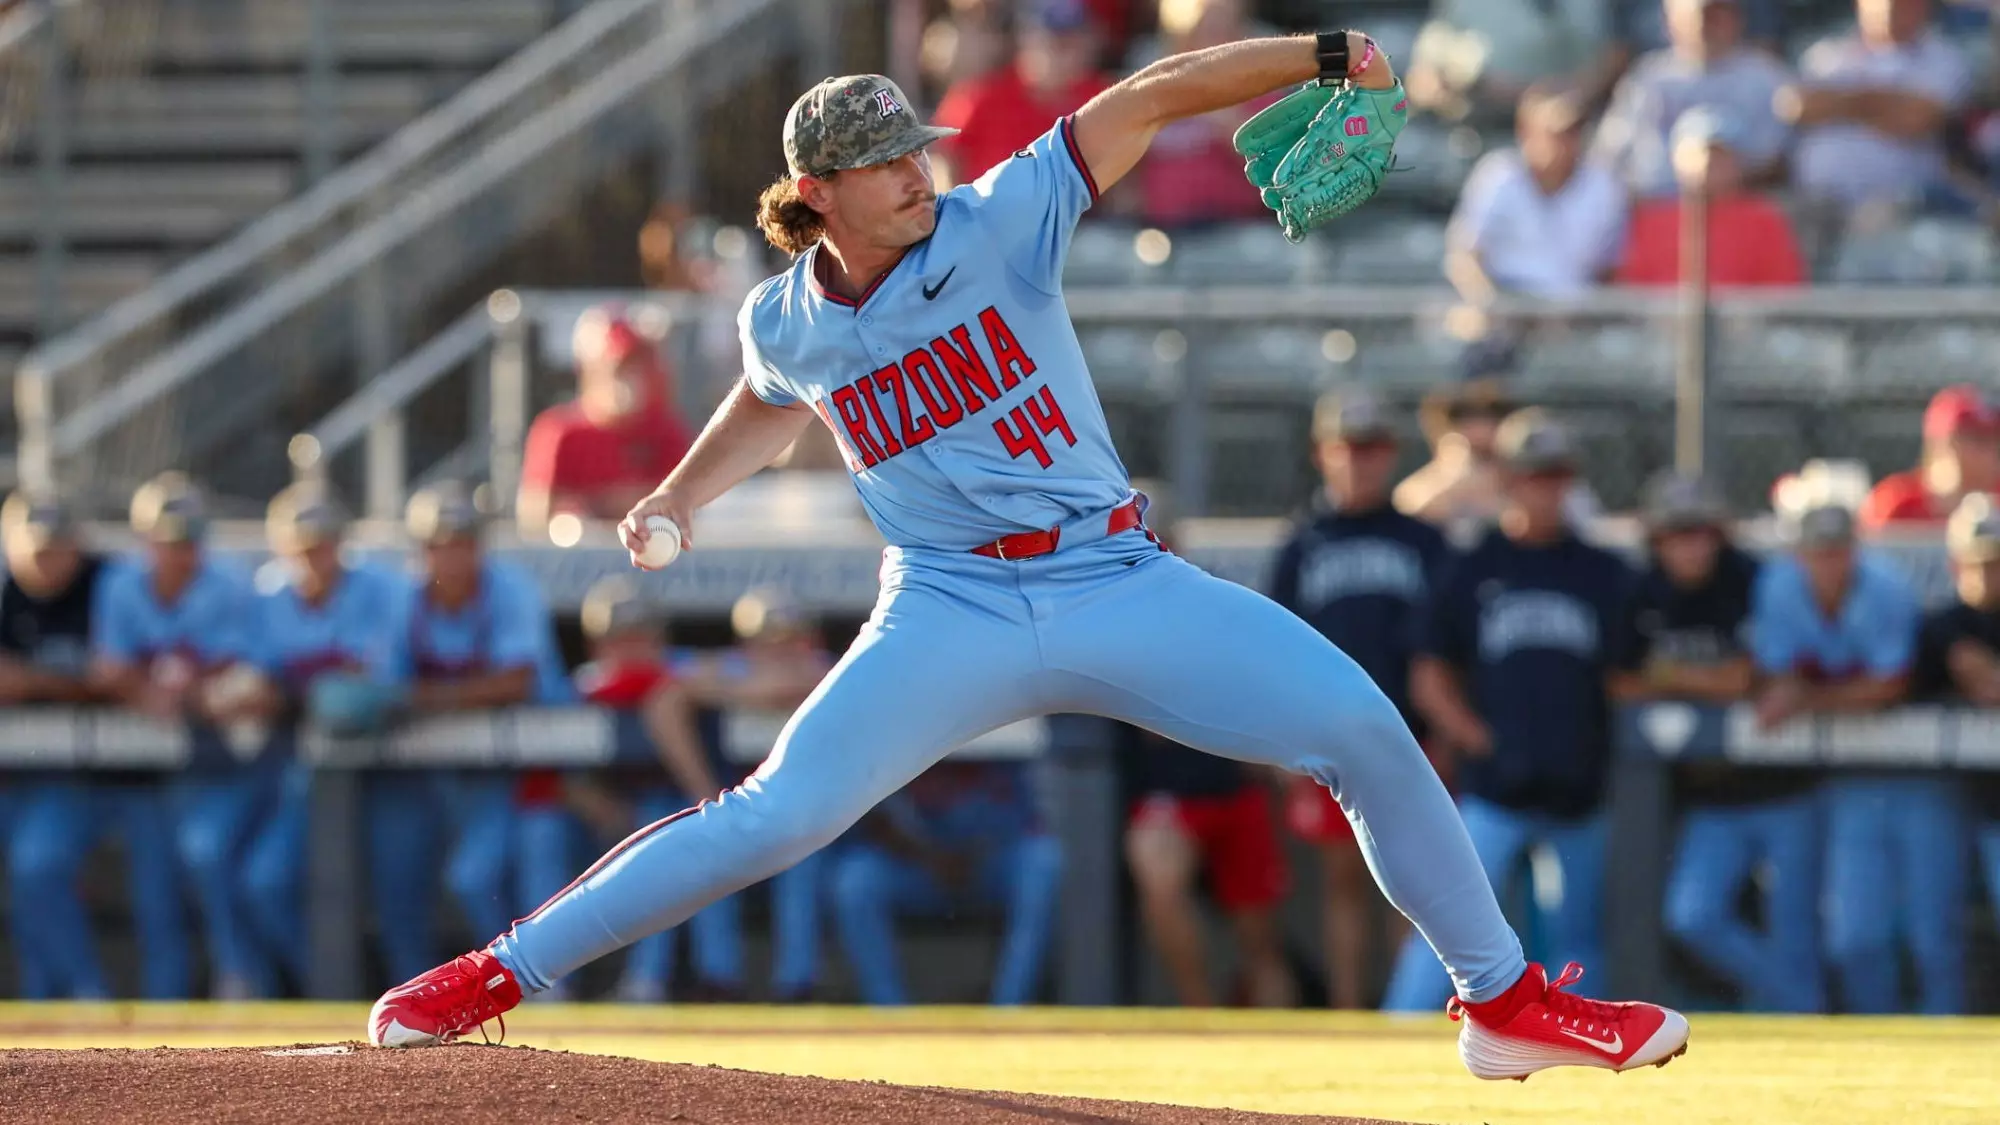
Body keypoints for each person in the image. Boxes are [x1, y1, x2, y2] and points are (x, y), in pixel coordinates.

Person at [373, 36, 1689, 1080]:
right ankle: (498, 974)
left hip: (1110, 576)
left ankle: (1502, 1000)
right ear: (817, 193)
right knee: (775, 816)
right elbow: (770, 400)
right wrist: (674, 494)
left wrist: (1326, 49)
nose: (913, 174)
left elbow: (1156, 90)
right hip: (944, 605)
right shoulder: (788, 317)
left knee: (1362, 723)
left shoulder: (1000, 218)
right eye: (882, 165)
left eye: (913, 151)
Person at [1382, 410, 1634, 1013]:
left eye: (1555, 475)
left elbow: (1626, 677)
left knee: (1576, 945)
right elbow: (1428, 673)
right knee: (1447, 933)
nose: (1544, 488)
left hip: (1577, 791)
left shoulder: (1604, 573)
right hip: (1494, 789)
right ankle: (1392, 1038)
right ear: (1508, 481)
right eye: (1532, 475)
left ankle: (1582, 1050)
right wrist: (1475, 737)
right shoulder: (1474, 566)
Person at [1609, 472, 1823, 1013]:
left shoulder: (1755, 579)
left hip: (1784, 786)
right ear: (1656, 538)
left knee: (1794, 932)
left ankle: (1795, 1025)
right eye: (1677, 533)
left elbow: (1746, 678)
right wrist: (1706, 681)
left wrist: (1669, 675)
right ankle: (1803, 1008)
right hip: (1712, 798)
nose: (1691, 544)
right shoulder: (1642, 590)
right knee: (1692, 916)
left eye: (1701, 531)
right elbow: (1617, 680)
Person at [1267, 390, 1448, 1010]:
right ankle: (1349, 1017)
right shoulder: (1303, 544)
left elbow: (1443, 652)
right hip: (1329, 736)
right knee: (1343, 883)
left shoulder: (1424, 541)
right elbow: (1278, 652)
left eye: (1372, 448)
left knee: (1415, 885)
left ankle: (1409, 1014)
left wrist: (1443, 737)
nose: (1361, 462)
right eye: (1348, 448)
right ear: (1323, 454)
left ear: (1391, 454)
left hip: (1409, 734)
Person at [365, 482, 573, 986]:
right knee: (444, 876)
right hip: (452, 768)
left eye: (463, 540)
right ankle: (494, 984)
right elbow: (380, 685)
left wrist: (425, 698)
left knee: (529, 877)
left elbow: (515, 680)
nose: (453, 553)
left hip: (540, 765)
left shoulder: (509, 588)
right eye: (440, 542)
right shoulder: (404, 599)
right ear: (422, 549)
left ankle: (540, 986)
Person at [1747, 500, 1950, 1013]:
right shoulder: (1780, 586)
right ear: (1800, 554)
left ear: (1854, 551)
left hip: (1927, 774)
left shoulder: (1886, 588)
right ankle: (1880, 1048)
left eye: (1837, 552)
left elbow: (1889, 685)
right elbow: (1776, 672)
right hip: (1852, 776)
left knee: (1933, 937)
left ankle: (1957, 1053)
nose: (1829, 563)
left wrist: (1805, 700)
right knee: (1854, 938)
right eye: (1818, 553)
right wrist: (1799, 693)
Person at [204, 483, 406, 996]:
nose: (314, 555)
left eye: (323, 542)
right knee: (237, 866)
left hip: (390, 765)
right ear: (282, 547)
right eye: (302, 544)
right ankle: (306, 991)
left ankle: (385, 994)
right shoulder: (271, 593)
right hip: (294, 763)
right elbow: (252, 683)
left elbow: (369, 685)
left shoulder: (377, 587)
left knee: (401, 888)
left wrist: (287, 693)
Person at [1, 490, 188, 1000]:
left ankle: (172, 1021)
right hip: (61, 777)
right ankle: (80, 998)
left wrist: (39, 682)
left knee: (159, 898)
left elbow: (116, 672)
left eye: (58, 548)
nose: (48, 560)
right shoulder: (7, 595)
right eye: (36, 548)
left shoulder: (112, 583)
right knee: (35, 871)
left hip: (146, 774)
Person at [91, 473, 263, 999]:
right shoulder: (121, 584)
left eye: (190, 538)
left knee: (213, 860)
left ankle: (241, 977)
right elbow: (107, 670)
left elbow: (243, 675)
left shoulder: (227, 582)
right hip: (146, 767)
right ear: (147, 541)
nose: (182, 551)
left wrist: (181, 690)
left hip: (227, 759)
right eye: (170, 539)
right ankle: (162, 1003)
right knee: (153, 890)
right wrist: (147, 692)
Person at [1123, 487, 1293, 1009]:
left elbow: (1261, 689)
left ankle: (1284, 1046)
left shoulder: (1210, 600)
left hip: (1232, 784)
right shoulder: (1114, 611)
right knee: (1157, 871)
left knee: (1260, 943)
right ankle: (1202, 1015)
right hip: (1172, 789)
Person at [561, 577, 726, 1003]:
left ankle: (687, 980)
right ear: (598, 644)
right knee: (539, 837)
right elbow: (554, 776)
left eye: (642, 634)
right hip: (606, 820)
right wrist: (595, 803)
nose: (632, 646)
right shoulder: (581, 687)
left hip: (677, 811)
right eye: (619, 637)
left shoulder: (685, 670)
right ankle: (554, 982)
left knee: (687, 836)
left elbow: (752, 675)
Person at [1780, 0, 1975, 213]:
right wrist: (1884, 103)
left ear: (1922, 7)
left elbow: (1915, 121)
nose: (1889, 8)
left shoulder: (1943, 57)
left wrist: (1836, 102)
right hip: (1817, 202)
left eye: (1902, 4)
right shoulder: (1825, 54)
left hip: (1899, 204)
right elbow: (1795, 108)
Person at [517, 306, 696, 535]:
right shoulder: (558, 430)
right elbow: (535, 514)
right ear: (589, 369)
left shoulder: (666, 428)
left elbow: (687, 500)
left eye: (638, 365)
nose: (632, 377)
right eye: (619, 367)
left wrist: (602, 503)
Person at [1444, 83, 1629, 305]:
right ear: (1526, 132)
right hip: (1504, 303)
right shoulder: (1498, 175)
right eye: (1553, 133)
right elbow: (1464, 256)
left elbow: (1608, 270)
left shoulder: (1603, 185)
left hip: (1573, 312)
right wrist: (1489, 306)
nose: (1564, 142)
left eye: (1572, 131)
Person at [1915, 494, 2000, 962]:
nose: (1986, 574)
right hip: (1938, 796)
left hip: (1995, 806)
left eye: (1996, 563)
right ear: (1955, 564)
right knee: (1933, 929)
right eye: (1976, 562)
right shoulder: (1942, 623)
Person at [1593, 0, 1792, 198]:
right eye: (1695, 16)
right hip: (1659, 210)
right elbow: (1608, 154)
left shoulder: (1767, 76)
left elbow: (1783, 155)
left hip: (1749, 205)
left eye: (1715, 15)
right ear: (1671, 21)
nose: (1704, 24)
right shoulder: (1648, 77)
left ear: (1736, 18)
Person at [1616, 106, 1807, 287]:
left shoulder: (1764, 220)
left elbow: (1781, 290)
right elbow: (1633, 292)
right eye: (1696, 153)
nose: (1708, 163)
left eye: (1720, 154)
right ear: (1676, 159)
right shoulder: (1652, 221)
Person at [931, 0, 1114, 187]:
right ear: (1024, 38)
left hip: (1077, 215)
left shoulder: (1102, 99)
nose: (1060, 51)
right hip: (987, 211)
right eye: (1051, 40)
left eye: (1070, 41)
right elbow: (942, 162)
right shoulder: (978, 97)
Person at [1859, 384, 2000, 530]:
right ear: (1941, 443)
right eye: (1978, 440)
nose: (1990, 454)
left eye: (1996, 441)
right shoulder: (1896, 504)